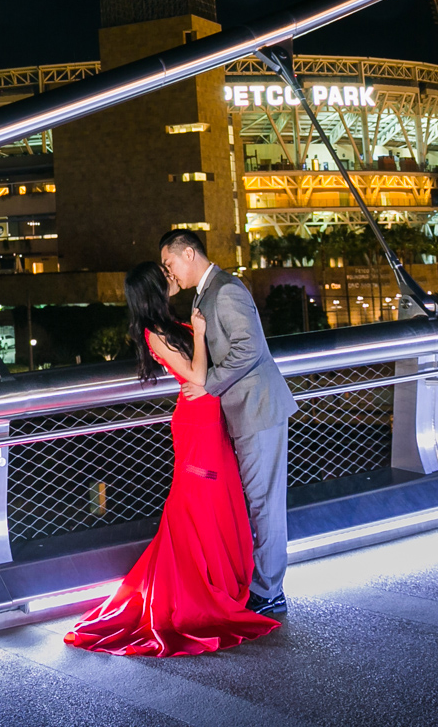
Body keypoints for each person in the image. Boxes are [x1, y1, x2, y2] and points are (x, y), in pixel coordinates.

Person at [64, 262, 280, 656]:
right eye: (164, 277)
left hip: (214, 419)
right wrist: (198, 334)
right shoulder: (155, 333)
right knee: (198, 504)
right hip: (198, 425)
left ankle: (222, 582)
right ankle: (200, 589)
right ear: (153, 289)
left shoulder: (170, 323)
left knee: (223, 500)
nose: (171, 279)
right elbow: (198, 377)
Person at [160, 227, 297, 614]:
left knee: (264, 503)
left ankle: (270, 591)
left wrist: (209, 387)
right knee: (257, 502)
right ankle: (264, 584)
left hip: (257, 408)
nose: (171, 273)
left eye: (170, 264)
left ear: (188, 254)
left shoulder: (225, 289)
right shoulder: (207, 292)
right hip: (245, 411)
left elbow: (249, 348)